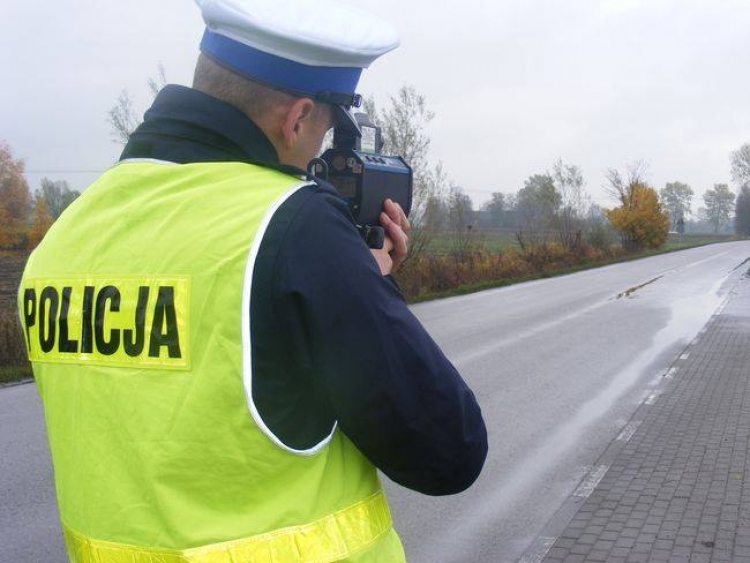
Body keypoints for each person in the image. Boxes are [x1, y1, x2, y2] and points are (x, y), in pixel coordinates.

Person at [18, 0, 487, 561]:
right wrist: (365, 285)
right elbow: (448, 452)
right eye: (328, 131)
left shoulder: (64, 237)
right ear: (297, 118)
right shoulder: (296, 225)